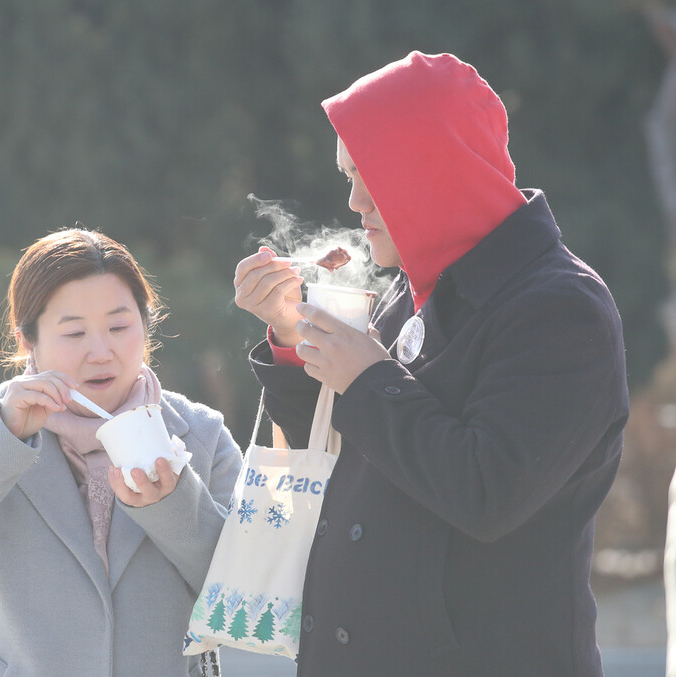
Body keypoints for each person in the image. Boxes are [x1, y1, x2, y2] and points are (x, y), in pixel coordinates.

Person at [233, 51, 628, 676]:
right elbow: (343, 446)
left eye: (372, 175)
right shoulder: (414, 286)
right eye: (348, 175)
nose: (357, 202)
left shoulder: (560, 306)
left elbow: (487, 493)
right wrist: (291, 341)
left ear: (435, 169)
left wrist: (367, 377)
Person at [0, 227, 242, 676]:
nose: (101, 351)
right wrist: (2, 437)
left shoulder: (201, 437)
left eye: (119, 326)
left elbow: (246, 598)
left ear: (147, 326)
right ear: (27, 341)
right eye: (74, 333)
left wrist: (174, 506)